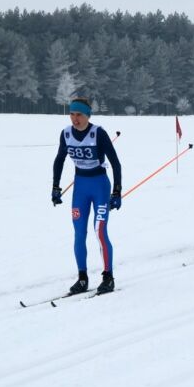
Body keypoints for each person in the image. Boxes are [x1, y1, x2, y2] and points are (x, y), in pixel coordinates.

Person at [52, 97, 122, 295]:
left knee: (99, 231)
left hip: (100, 186)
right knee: (79, 233)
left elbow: (115, 163)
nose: (75, 119)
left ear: (87, 116)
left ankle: (108, 277)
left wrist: (117, 191)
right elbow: (59, 160)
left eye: (79, 115)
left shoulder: (98, 133)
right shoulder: (66, 134)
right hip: (80, 188)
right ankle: (82, 278)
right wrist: (55, 187)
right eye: (72, 114)